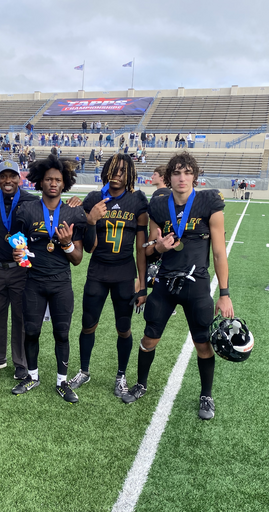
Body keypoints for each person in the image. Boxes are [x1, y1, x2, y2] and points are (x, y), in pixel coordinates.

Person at [122, 152, 234, 421]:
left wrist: (224, 293)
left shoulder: (208, 202)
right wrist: (159, 247)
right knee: (149, 339)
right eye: (176, 173)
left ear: (194, 176)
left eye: (187, 172)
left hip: (197, 284)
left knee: (202, 343)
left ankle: (206, 394)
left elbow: (219, 252)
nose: (182, 178)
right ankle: (141, 384)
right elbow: (149, 249)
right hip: (165, 282)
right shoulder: (159, 205)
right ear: (169, 177)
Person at [68, 154, 148, 399]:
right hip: (98, 272)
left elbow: (141, 247)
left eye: (123, 171)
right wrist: (89, 219)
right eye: (113, 169)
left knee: (124, 328)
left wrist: (142, 284)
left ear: (130, 174)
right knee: (88, 324)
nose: (117, 175)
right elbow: (89, 247)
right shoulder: (94, 198)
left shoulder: (137, 200)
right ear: (105, 171)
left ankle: (121, 375)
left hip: (124, 273)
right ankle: (84, 371)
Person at [11, 155, 87, 402]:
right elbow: (18, 246)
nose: (53, 183)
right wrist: (19, 255)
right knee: (32, 331)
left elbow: (77, 259)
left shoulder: (73, 212)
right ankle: (32, 376)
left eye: (58, 180)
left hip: (61, 282)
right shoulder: (27, 210)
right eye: (48, 179)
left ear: (64, 183)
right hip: (34, 281)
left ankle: (62, 382)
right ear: (40, 182)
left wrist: (66, 244)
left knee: (62, 333)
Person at [0, 159, 37, 378]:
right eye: (3, 176)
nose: (7, 180)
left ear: (19, 178)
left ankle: (21, 362)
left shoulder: (30, 200)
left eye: (12, 176)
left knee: (21, 316)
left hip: (21, 269)